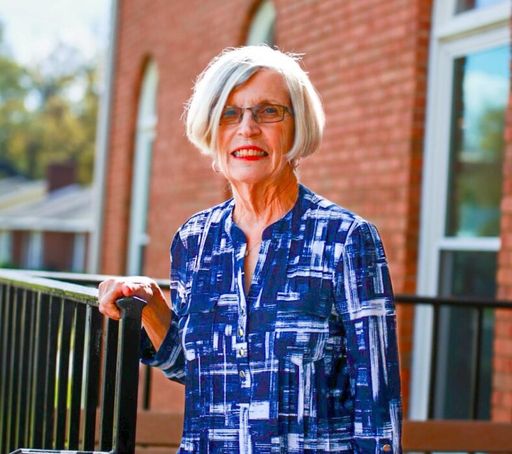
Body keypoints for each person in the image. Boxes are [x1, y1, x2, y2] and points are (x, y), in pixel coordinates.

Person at [99, 45, 402, 453]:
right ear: (210, 128)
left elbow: (378, 404)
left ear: (297, 127)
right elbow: (197, 371)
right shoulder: (195, 240)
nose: (247, 128)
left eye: (268, 111)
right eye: (229, 113)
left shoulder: (346, 239)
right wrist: (151, 307)